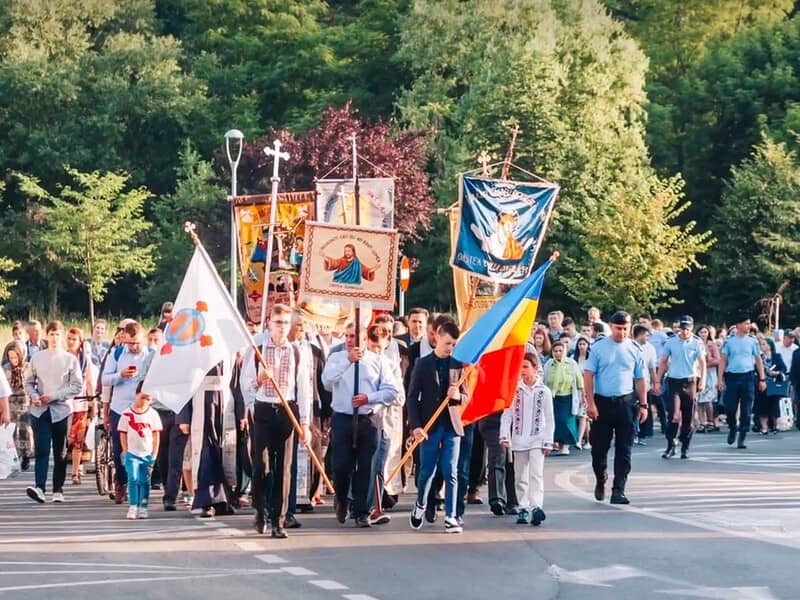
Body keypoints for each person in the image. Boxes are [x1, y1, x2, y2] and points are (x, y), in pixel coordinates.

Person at [240, 304, 313, 538]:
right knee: (261, 466)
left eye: (285, 323)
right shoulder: (257, 350)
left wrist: (304, 423)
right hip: (263, 409)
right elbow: (245, 384)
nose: (282, 327)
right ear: (269, 323)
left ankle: (278, 520)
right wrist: (259, 380)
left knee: (284, 468)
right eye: (278, 322)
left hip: (287, 410)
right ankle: (260, 510)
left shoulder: (297, 352)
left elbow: (304, 389)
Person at [322, 322, 399, 528]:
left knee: (367, 466)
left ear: (364, 340)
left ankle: (362, 511)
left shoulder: (378, 361)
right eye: (346, 336)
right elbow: (327, 382)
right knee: (340, 465)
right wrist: (348, 361)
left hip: (368, 419)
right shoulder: (336, 358)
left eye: (353, 337)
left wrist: (370, 398)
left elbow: (392, 391)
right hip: (343, 418)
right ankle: (342, 498)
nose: (348, 340)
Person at [407, 320, 468, 533]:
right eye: (448, 343)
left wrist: (458, 395)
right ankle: (421, 504)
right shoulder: (423, 364)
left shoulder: (458, 365)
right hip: (430, 426)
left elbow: (466, 397)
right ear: (438, 337)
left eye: (454, 344)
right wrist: (416, 426)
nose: (451, 348)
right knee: (426, 472)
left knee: (451, 470)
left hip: (451, 425)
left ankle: (451, 516)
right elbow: (413, 397)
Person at [583, 311, 647, 505]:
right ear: (611, 326)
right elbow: (588, 376)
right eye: (619, 328)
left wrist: (643, 404)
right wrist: (591, 403)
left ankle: (619, 489)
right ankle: (600, 477)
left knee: (624, 449)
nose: (622, 332)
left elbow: (640, 379)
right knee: (599, 449)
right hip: (602, 404)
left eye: (626, 329)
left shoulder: (634, 348)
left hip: (626, 403)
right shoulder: (598, 348)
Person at [24, 321, 83, 503]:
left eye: (58, 334)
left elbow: (77, 386)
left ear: (62, 336)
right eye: (51, 334)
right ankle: (39, 487)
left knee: (60, 451)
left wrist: (56, 395)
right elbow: (28, 382)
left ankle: (58, 488)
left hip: (62, 411)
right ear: (46, 336)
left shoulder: (70, 359)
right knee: (42, 449)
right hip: (40, 410)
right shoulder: (37, 358)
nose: (55, 338)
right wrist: (34, 395)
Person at [101, 321, 152, 503]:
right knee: (120, 449)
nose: (134, 347)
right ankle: (121, 483)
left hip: (142, 409)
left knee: (143, 448)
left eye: (137, 342)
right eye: (130, 343)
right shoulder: (117, 353)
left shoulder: (150, 355)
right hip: (120, 409)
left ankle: (140, 485)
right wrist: (120, 375)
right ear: (124, 340)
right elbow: (104, 379)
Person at [500, 353, 554, 526]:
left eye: (526, 367)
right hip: (519, 438)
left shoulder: (543, 391)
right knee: (520, 475)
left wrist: (548, 440)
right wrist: (504, 435)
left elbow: (549, 417)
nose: (522, 371)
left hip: (538, 438)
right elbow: (507, 414)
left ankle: (536, 506)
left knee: (536, 474)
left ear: (535, 368)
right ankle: (523, 507)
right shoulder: (515, 390)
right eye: (520, 367)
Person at [654, 315, 706, 460]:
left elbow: (702, 363)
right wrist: (657, 381)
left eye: (687, 329)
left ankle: (685, 445)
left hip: (690, 382)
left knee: (688, 418)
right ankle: (670, 444)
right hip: (674, 381)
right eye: (682, 329)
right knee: (674, 416)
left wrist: (702, 380)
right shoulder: (671, 342)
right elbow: (664, 361)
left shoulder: (696, 343)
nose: (684, 332)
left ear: (691, 328)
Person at [717, 315, 766, 449]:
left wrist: (762, 379)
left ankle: (742, 435)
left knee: (747, 409)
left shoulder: (753, 341)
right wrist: (720, 378)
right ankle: (733, 427)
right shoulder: (729, 341)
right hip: (732, 376)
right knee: (730, 407)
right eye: (745, 324)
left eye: (749, 324)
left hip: (748, 377)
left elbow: (758, 360)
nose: (748, 326)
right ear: (738, 325)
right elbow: (723, 360)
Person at [118, 391, 163, 519]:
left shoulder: (153, 414)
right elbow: (123, 433)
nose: (144, 401)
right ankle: (133, 506)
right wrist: (126, 451)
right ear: (136, 394)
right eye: (142, 397)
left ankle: (143, 506)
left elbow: (156, 436)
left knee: (145, 481)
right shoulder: (127, 414)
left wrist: (154, 454)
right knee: (133, 478)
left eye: (147, 399)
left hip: (147, 454)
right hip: (132, 453)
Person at [543, 340, 582, 455]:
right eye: (555, 351)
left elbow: (579, 380)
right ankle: (558, 444)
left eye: (560, 351)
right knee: (556, 421)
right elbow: (544, 378)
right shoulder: (549, 364)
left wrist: (583, 395)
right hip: (553, 397)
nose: (558, 353)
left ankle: (566, 446)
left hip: (568, 396)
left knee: (566, 421)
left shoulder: (571, 363)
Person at [65, 327, 94, 484]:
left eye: (74, 339)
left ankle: (75, 472)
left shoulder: (84, 360)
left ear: (80, 342)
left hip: (80, 403)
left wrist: (92, 402)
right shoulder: (62, 357)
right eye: (69, 338)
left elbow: (89, 382)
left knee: (78, 440)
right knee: (65, 439)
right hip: (64, 404)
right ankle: (61, 471)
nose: (71, 342)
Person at [3, 341, 33, 470]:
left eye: (15, 357)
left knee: (25, 429)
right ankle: (12, 455)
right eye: (10, 357)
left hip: (25, 402)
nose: (13, 360)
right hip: (10, 402)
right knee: (11, 430)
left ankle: (26, 455)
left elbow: (32, 384)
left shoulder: (28, 367)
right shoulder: (5, 369)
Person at [755, 337, 786, 435]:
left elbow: (783, 368)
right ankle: (764, 427)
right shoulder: (759, 357)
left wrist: (776, 373)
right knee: (762, 405)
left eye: (764, 344)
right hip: (762, 383)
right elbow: (755, 368)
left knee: (774, 405)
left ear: (769, 346)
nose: (762, 346)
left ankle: (775, 425)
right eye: (761, 344)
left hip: (774, 383)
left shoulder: (776, 356)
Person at [696, 325, 720, 432]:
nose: (703, 334)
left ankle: (711, 420)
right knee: (699, 399)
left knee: (708, 399)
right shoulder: (695, 344)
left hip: (710, 374)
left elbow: (718, 360)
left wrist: (706, 363)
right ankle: (702, 422)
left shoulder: (712, 345)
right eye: (701, 332)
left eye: (705, 332)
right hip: (698, 373)